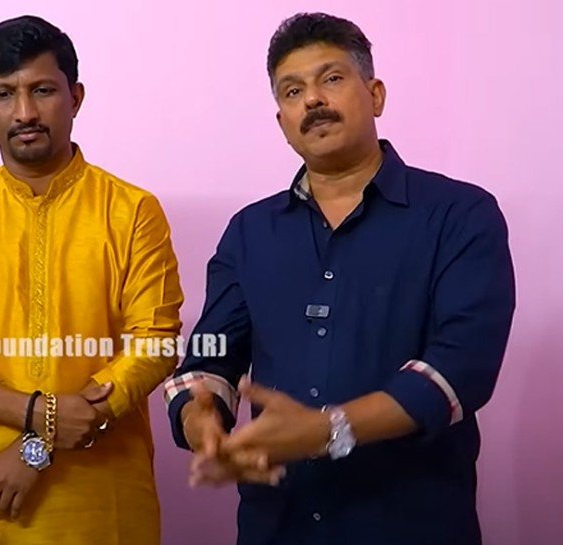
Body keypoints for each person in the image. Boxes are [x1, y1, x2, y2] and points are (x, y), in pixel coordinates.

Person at [164, 12, 516, 545]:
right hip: (276, 526)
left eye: (331, 78)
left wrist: (328, 430)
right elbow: (208, 358)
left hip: (411, 524)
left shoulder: (459, 214)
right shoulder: (250, 232)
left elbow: (461, 367)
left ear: (375, 95)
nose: (312, 100)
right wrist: (205, 428)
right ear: (282, 121)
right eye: (292, 91)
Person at [0, 15, 183, 545]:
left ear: (75, 97)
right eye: (4, 94)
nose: (25, 112)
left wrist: (37, 445)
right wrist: (43, 416)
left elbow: (154, 345)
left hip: (99, 500)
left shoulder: (131, 212)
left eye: (42, 90)